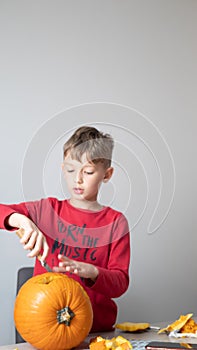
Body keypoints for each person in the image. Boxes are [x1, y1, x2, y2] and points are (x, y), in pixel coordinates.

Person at [0, 126, 130, 332]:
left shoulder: (116, 222)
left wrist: (92, 271)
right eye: (71, 170)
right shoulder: (46, 210)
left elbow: (120, 283)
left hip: (95, 331)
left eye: (87, 172)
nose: (77, 179)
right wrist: (21, 221)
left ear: (107, 174)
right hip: (46, 328)